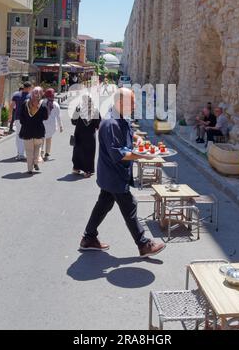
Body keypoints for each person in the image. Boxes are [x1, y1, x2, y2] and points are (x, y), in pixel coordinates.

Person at [79, 88, 166, 258]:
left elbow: (127, 133)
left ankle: (88, 238)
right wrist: (144, 155)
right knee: (129, 206)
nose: (134, 106)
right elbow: (118, 154)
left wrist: (137, 139)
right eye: (131, 103)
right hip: (114, 175)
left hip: (111, 175)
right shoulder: (110, 123)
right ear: (120, 102)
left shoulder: (119, 119)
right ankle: (143, 244)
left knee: (103, 204)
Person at [19, 87, 48, 174]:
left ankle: (29, 169)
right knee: (37, 147)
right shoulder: (43, 104)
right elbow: (46, 117)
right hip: (38, 130)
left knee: (28, 150)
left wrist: (26, 123)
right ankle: (35, 161)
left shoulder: (25, 103)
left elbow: (21, 118)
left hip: (27, 130)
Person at [72, 95, 101, 177]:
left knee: (77, 150)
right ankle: (87, 171)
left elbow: (73, 121)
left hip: (79, 132)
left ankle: (76, 168)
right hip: (90, 135)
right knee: (89, 152)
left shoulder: (78, 108)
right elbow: (98, 124)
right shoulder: (95, 110)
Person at [9, 82, 32, 160]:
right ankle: (24, 153)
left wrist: (10, 116)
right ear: (28, 88)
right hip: (27, 119)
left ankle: (20, 153)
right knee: (26, 136)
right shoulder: (30, 96)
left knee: (19, 135)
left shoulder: (16, 95)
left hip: (17, 118)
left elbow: (11, 105)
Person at [42, 88, 63, 161]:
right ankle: (47, 153)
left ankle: (41, 152)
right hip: (52, 125)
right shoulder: (56, 104)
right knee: (49, 138)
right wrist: (61, 126)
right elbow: (58, 116)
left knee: (41, 138)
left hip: (42, 124)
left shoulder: (41, 102)